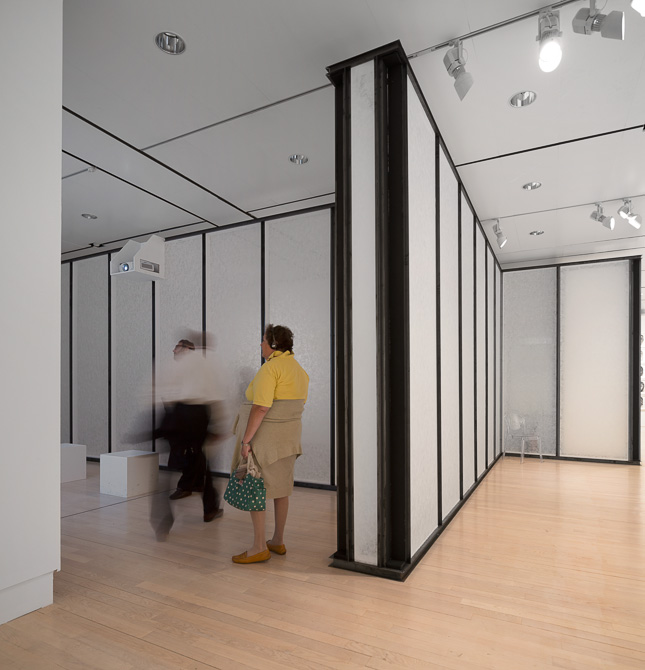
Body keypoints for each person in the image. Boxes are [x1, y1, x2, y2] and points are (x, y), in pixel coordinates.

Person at [230, 324, 309, 564]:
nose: (261, 344)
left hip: (265, 440)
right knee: (281, 488)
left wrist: (246, 440)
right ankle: (277, 540)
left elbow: (261, 407)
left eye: (263, 340)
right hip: (288, 441)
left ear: (273, 344)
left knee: (256, 487)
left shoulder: (270, 369)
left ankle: (258, 547)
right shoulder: (299, 370)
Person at [154, 337, 224, 533]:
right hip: (185, 414)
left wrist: (218, 423)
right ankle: (202, 499)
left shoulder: (198, 367)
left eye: (177, 347)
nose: (174, 350)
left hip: (190, 414)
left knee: (196, 455)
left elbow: (212, 393)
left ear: (187, 349)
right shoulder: (180, 367)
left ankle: (198, 496)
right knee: (192, 455)